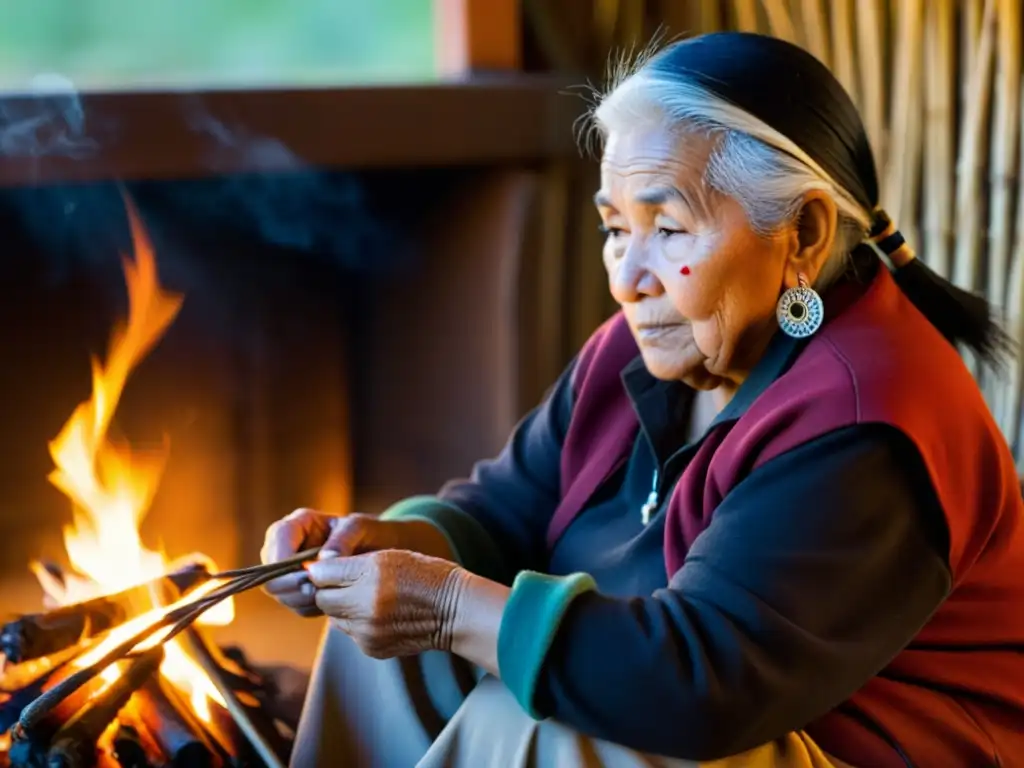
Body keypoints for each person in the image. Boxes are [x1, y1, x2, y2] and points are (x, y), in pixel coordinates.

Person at [261, 32, 1024, 768]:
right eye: (616, 228)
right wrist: (376, 552)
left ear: (802, 233)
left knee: (553, 730)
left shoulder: (867, 417)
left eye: (668, 227)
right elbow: (504, 512)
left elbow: (704, 684)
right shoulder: (644, 346)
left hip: (852, 749)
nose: (628, 276)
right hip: (704, 710)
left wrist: (451, 607)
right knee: (390, 647)